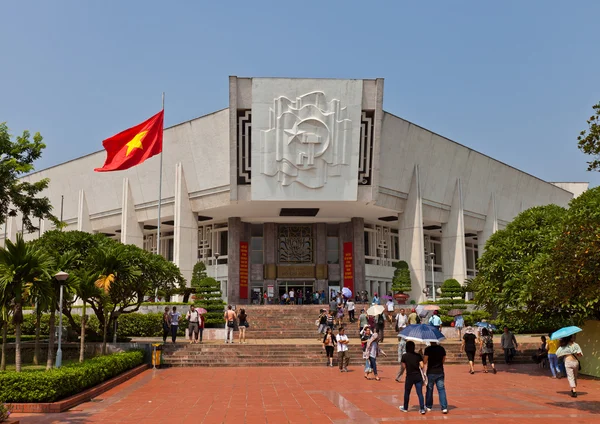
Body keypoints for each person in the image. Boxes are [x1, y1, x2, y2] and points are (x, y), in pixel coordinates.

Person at [399, 341, 426, 415]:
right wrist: (421, 355)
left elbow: (404, 366)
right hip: (418, 376)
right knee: (419, 393)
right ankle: (422, 408)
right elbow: (422, 366)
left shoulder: (404, 356)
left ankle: (405, 408)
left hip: (409, 376)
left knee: (407, 392)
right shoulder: (418, 355)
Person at [424, 341, 448, 414]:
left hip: (431, 372)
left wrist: (422, 354)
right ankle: (444, 407)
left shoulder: (428, 349)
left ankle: (428, 406)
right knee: (441, 389)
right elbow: (443, 360)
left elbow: (424, 361)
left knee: (429, 389)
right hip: (440, 371)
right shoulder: (441, 349)